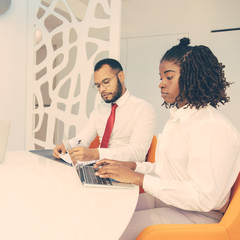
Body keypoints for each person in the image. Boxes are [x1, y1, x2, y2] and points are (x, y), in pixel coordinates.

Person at [94, 38, 240, 239]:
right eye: (161, 77)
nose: (161, 84)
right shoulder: (178, 119)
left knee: (110, 228)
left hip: (200, 215)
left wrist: (138, 179)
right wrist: (132, 166)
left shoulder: (212, 126)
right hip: (171, 201)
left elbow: (204, 197)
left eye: (169, 77)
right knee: (103, 212)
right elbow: (167, 172)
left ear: (191, 77)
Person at [53, 58, 156, 164]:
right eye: (98, 85)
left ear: (120, 77)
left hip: (124, 172)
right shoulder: (100, 109)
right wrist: (67, 146)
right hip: (97, 167)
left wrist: (97, 154)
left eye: (106, 82)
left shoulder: (143, 108)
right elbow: (83, 138)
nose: (102, 90)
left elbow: (137, 154)